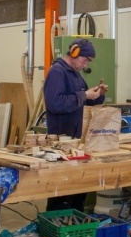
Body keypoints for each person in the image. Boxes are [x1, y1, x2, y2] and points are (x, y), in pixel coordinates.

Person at [44, 38, 107, 212]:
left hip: (78, 141)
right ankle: (56, 229)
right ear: (74, 52)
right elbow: (54, 104)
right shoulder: (57, 72)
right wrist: (84, 95)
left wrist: (98, 95)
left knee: (78, 190)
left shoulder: (76, 75)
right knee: (62, 192)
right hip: (62, 143)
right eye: (84, 60)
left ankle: (75, 229)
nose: (85, 64)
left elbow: (85, 104)